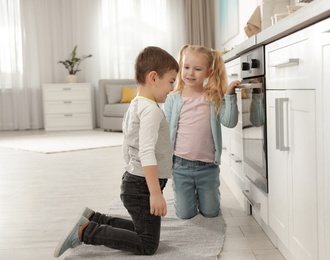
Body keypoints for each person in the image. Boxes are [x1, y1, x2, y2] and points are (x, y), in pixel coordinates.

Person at [53, 46, 179, 257]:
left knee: (142, 229)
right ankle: (87, 231)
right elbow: (146, 153)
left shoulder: (136, 105)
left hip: (134, 181)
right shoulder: (151, 111)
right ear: (153, 77)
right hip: (143, 187)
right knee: (147, 244)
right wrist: (156, 193)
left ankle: (95, 219)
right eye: (171, 81)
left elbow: (128, 145)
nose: (172, 88)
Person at [163, 44, 241, 219]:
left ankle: (205, 196)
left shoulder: (212, 97)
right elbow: (165, 130)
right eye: (186, 67)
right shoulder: (173, 99)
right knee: (185, 214)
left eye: (197, 69)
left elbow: (229, 122)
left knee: (211, 212)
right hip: (180, 166)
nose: (190, 73)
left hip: (207, 167)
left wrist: (229, 95)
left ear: (209, 72)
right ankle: (186, 196)